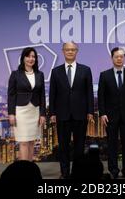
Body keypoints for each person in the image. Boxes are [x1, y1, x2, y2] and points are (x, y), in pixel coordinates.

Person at [49, 42, 94, 179]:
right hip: (62, 114)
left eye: (73, 49)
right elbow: (52, 94)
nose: (70, 52)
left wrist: (90, 111)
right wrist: (52, 113)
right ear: (63, 51)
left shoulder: (86, 70)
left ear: (77, 51)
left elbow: (89, 93)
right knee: (63, 146)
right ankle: (65, 173)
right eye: (67, 49)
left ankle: (78, 173)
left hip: (80, 114)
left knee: (79, 147)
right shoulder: (55, 71)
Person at [98, 47, 125, 179]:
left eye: (122, 56)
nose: (119, 59)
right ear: (112, 58)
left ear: (124, 58)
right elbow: (101, 96)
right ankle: (113, 171)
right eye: (117, 56)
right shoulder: (104, 75)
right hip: (110, 117)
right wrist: (102, 113)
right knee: (112, 146)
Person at [8, 47, 46, 161]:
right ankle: (24, 171)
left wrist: (43, 114)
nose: (31, 59)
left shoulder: (40, 74)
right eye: (28, 56)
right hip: (21, 112)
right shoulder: (15, 74)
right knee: (23, 142)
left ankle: (30, 169)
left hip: (35, 111)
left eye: (33, 56)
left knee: (31, 142)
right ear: (23, 58)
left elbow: (42, 95)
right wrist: (11, 114)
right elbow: (11, 95)